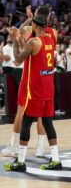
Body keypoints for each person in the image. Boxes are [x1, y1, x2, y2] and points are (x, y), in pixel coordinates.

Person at [4, 14, 61, 171]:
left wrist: (16, 39)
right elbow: (32, 55)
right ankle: (56, 159)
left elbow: (18, 58)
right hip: (48, 88)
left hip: (34, 89)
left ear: (35, 25)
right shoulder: (50, 40)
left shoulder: (33, 42)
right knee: (48, 123)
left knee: (27, 122)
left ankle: (21, 161)